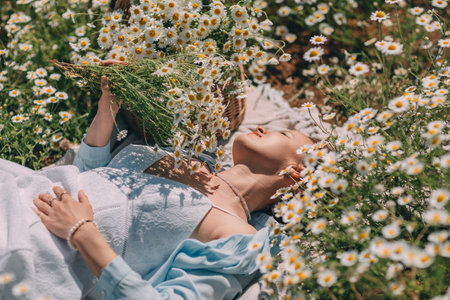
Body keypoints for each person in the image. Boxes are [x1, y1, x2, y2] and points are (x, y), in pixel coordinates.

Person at [0, 72, 313, 300]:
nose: (262, 127)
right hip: (20, 189)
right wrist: (107, 109)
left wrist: (82, 231)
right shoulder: (190, 160)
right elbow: (86, 178)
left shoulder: (239, 240)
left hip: (39, 251)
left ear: (296, 173)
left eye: (284, 135)